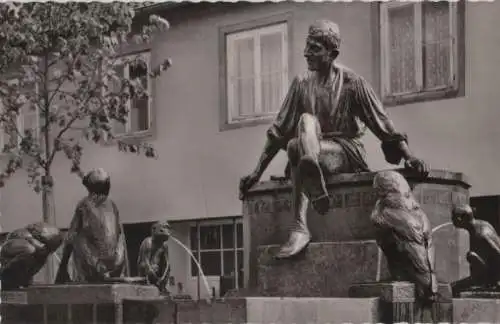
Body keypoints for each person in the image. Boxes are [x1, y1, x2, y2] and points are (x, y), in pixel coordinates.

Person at [239, 20, 429, 259]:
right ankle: (311, 168)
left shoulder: (352, 83)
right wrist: (256, 173)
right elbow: (278, 131)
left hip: (345, 151)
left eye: (315, 48)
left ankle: (300, 225)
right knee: (303, 126)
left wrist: (408, 156)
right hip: (310, 146)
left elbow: (383, 124)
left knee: (295, 146)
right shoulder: (301, 84)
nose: (307, 52)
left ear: (333, 53)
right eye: (307, 46)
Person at [55, 168, 129, 283]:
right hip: (115, 267)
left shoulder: (84, 204)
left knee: (76, 236)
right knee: (119, 236)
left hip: (95, 268)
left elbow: (71, 237)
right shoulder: (113, 205)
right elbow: (120, 237)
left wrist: (63, 266)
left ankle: (85, 276)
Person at [451, 204, 500, 295]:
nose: (452, 221)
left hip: (491, 276)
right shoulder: (482, 223)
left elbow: (498, 253)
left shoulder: (481, 235)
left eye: (453, 218)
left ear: (459, 219)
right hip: (488, 270)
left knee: (453, 287)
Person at [137, 220, 172, 295]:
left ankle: (162, 287)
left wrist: (163, 277)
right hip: (146, 267)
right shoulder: (148, 242)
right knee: (150, 266)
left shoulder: (164, 245)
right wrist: (152, 272)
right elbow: (145, 261)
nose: (166, 230)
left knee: (168, 267)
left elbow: (167, 262)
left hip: (156, 268)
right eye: (164, 228)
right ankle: (147, 284)